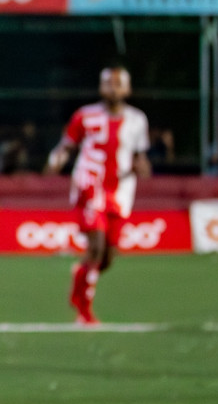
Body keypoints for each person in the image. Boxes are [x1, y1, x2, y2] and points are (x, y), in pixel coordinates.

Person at [45, 66, 151, 326]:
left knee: (108, 256)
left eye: (118, 84)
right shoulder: (85, 116)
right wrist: (56, 161)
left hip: (121, 189)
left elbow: (139, 156)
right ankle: (84, 311)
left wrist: (143, 168)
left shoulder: (137, 120)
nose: (112, 88)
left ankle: (80, 276)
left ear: (127, 89)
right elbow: (66, 145)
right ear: (101, 87)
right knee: (96, 245)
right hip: (90, 184)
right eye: (108, 83)